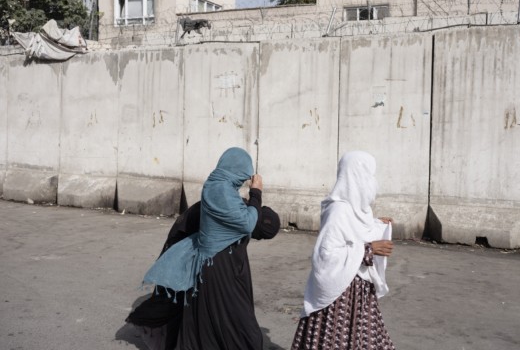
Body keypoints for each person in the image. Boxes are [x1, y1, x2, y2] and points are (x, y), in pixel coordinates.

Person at [126, 147, 280, 350]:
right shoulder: (219, 190)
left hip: (221, 265)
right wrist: (256, 193)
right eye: (245, 174)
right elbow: (246, 224)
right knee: (240, 325)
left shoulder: (222, 188)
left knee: (213, 322)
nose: (245, 179)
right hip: (218, 267)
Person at [291, 150, 395, 350]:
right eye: (369, 175)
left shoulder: (358, 209)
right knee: (334, 339)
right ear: (357, 176)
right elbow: (325, 255)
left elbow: (354, 232)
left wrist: (376, 224)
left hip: (360, 292)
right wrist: (368, 250)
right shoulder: (338, 210)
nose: (373, 182)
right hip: (340, 296)